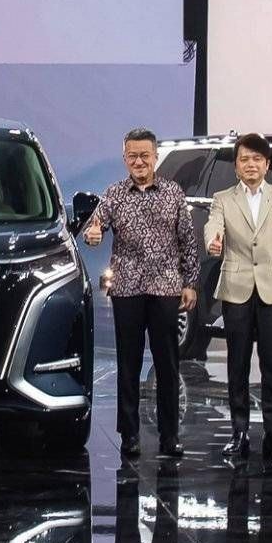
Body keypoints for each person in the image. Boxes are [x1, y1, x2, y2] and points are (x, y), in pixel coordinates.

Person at [84, 127, 201, 459]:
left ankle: (170, 436)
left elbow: (188, 242)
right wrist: (92, 234)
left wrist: (190, 282)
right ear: (125, 158)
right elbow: (93, 228)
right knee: (128, 364)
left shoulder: (173, 193)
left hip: (165, 287)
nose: (139, 162)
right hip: (127, 289)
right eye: (132, 156)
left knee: (167, 365)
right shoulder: (114, 194)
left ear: (155, 157)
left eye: (144, 156)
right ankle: (130, 435)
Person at [203, 133, 272, 461]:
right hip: (237, 289)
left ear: (267, 164)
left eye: (257, 159)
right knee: (237, 364)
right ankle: (239, 432)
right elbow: (213, 225)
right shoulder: (223, 199)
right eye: (244, 159)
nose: (251, 165)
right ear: (236, 166)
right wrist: (213, 241)